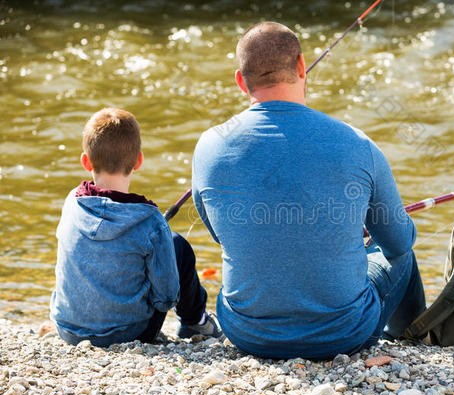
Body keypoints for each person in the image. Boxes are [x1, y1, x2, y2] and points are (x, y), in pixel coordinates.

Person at [192, 22, 425, 359]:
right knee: (401, 254)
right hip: (343, 335)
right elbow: (400, 242)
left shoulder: (208, 146)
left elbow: (223, 232)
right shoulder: (357, 142)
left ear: (241, 81)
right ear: (302, 66)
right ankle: (411, 336)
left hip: (247, 332)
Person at [50, 108, 221, 347]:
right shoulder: (150, 220)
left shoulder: (71, 203)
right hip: (127, 334)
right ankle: (196, 321)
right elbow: (167, 297)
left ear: (85, 161)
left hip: (68, 329)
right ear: (138, 161)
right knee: (177, 245)